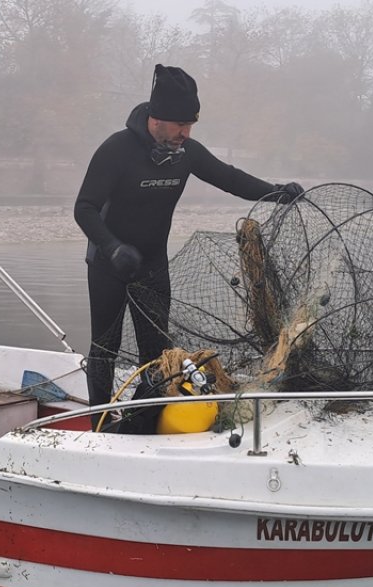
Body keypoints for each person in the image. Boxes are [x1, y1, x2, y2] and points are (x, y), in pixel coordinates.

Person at [73, 64, 303, 429]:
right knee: (105, 348)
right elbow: (84, 208)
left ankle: (141, 421)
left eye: (190, 125)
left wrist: (277, 192)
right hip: (109, 263)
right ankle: (98, 425)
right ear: (156, 118)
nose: (186, 132)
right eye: (180, 125)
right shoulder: (116, 150)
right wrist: (113, 247)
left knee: (157, 353)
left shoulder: (186, 153)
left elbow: (229, 178)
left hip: (152, 264)